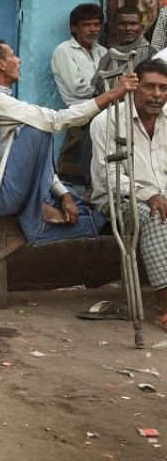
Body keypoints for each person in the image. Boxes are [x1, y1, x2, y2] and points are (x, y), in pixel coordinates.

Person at [0, 39, 135, 245]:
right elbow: (55, 120)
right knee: (39, 130)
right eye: (13, 56)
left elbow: (34, 161)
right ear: (1, 64)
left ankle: (48, 203)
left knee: (68, 189)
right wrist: (113, 94)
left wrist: (64, 195)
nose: (19, 61)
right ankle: (40, 210)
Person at [90, 58, 167, 332]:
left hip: (162, 198)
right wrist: (149, 195)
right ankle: (165, 306)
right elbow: (108, 178)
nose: (157, 95)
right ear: (134, 87)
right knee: (154, 216)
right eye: (149, 87)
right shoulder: (108, 121)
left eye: (163, 88)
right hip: (117, 199)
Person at [52, 3, 107, 183]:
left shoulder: (103, 52)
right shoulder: (64, 51)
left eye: (97, 24)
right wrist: (108, 91)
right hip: (80, 115)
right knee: (77, 166)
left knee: (102, 160)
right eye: (87, 25)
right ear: (74, 27)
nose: (93, 29)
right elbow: (78, 88)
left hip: (103, 112)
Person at [98, 6, 151, 92]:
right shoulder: (110, 54)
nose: (128, 28)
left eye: (133, 24)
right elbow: (98, 84)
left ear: (142, 27)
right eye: (122, 24)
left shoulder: (150, 54)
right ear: (114, 27)